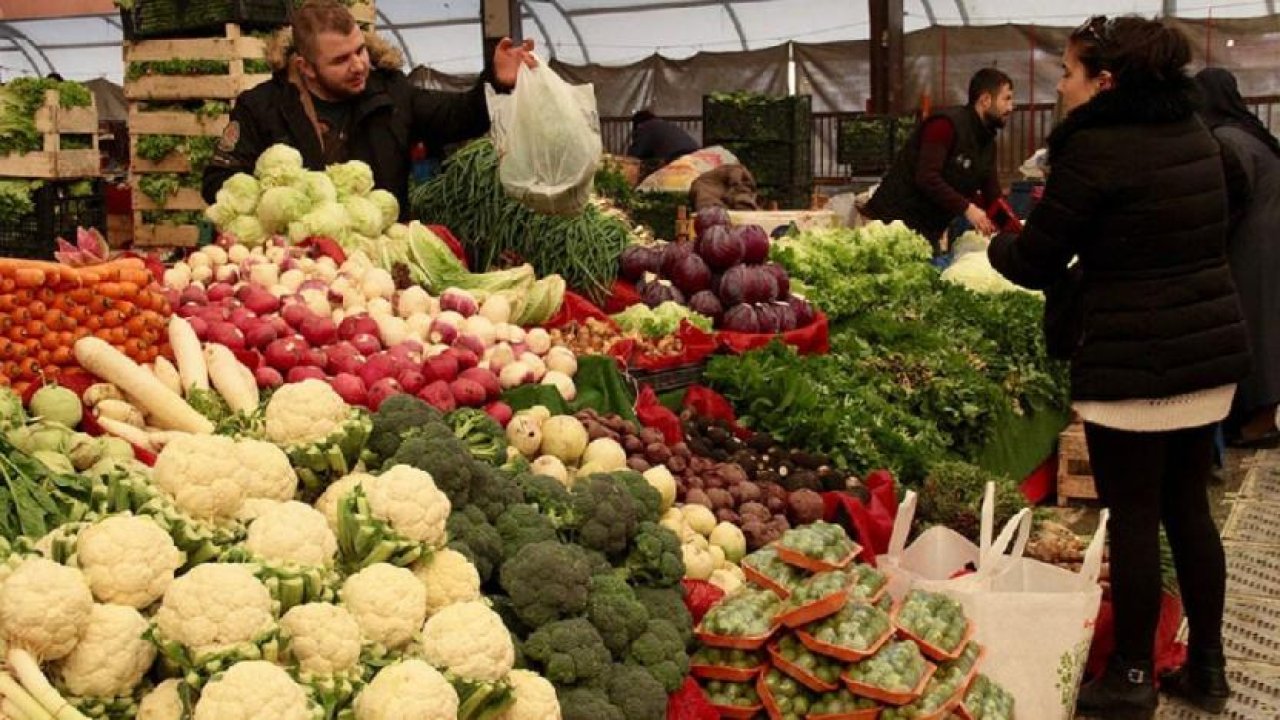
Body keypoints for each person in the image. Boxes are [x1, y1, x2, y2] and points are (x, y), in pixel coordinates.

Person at [988, 16, 1250, 719]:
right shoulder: (1195, 132)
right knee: (1188, 509)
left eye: (1068, 73)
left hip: (1133, 365)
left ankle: (1132, 675)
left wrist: (999, 249)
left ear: (1106, 81)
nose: (1061, 85)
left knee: (1134, 515)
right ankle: (1210, 671)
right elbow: (1225, 208)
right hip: (1207, 352)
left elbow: (1037, 258)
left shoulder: (1094, 149)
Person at [201, 0, 535, 217]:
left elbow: (457, 114)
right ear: (306, 68)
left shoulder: (391, 91)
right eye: (341, 60)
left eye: (360, 51)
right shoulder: (261, 107)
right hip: (297, 264)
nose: (359, 65)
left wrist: (496, 80)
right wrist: (285, 202)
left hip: (380, 262)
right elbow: (219, 180)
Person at [1196, 68, 1280, 449]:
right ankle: (1253, 418)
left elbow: (1231, 196)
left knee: (1255, 332)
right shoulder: (1248, 131)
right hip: (1265, 242)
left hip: (1253, 247)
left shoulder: (1230, 139)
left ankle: (1259, 421)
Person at [862, 68, 1015, 252]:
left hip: (928, 232)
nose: (1010, 107)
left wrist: (1014, 232)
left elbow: (993, 196)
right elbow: (927, 177)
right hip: (893, 223)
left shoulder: (987, 143)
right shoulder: (945, 125)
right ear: (985, 100)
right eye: (1006, 99)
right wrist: (968, 208)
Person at [627, 110, 700, 169]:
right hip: (697, 154)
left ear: (638, 124)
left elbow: (634, 155)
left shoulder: (644, 127)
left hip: (677, 157)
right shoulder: (665, 124)